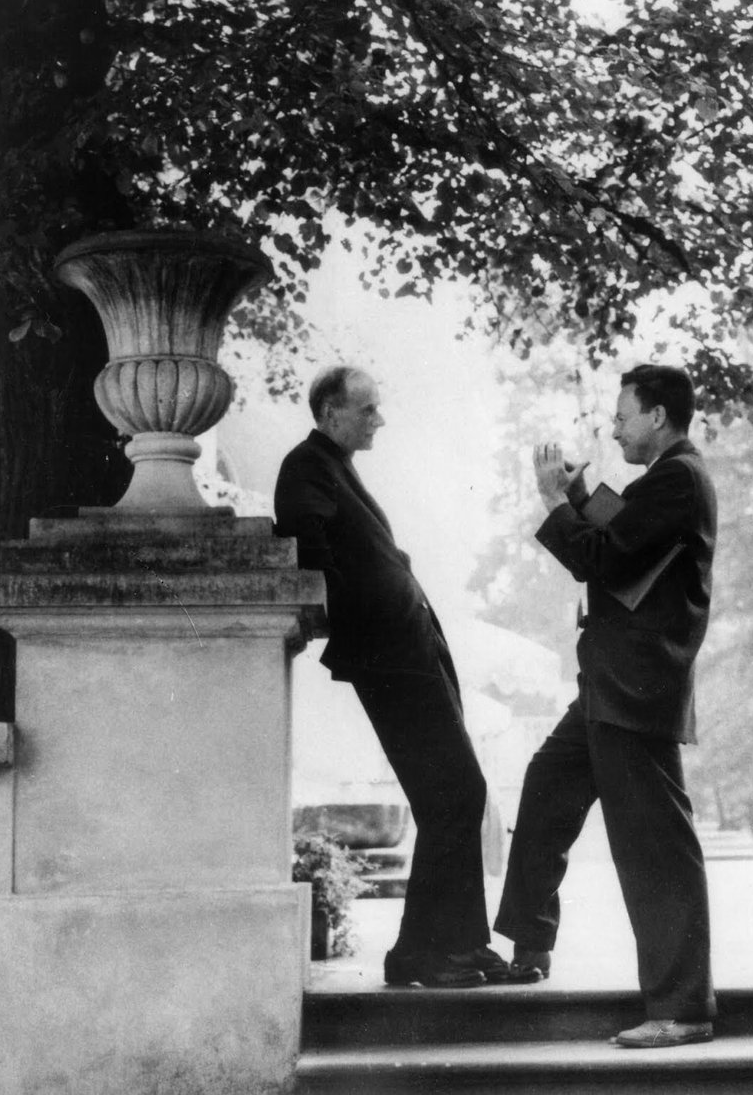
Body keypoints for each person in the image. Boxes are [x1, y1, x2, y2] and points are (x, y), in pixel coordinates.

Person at [494, 363, 718, 1048]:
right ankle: (529, 945)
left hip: (634, 689)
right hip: (612, 684)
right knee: (548, 785)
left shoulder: (678, 477)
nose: (613, 427)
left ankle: (681, 1011)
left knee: (652, 849)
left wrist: (553, 501)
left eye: (621, 416)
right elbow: (628, 535)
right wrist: (583, 491)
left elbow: (606, 560)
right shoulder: (672, 480)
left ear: (656, 416)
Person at [274, 365, 509, 988]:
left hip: (409, 655)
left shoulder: (332, 465)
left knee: (454, 795)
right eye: (367, 409)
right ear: (329, 411)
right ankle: (430, 955)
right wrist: (376, 618)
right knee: (454, 794)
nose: (379, 419)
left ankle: (453, 946)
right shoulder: (305, 467)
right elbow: (313, 558)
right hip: (391, 661)